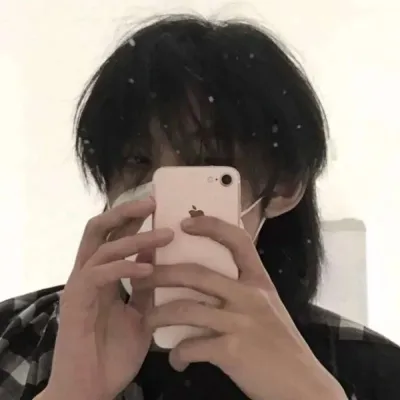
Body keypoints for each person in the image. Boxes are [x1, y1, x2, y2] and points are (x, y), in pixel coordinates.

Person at [0, 14, 399, 400]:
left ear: (285, 187)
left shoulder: (374, 372)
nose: (157, 193)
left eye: (207, 161)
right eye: (137, 160)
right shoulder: (10, 339)